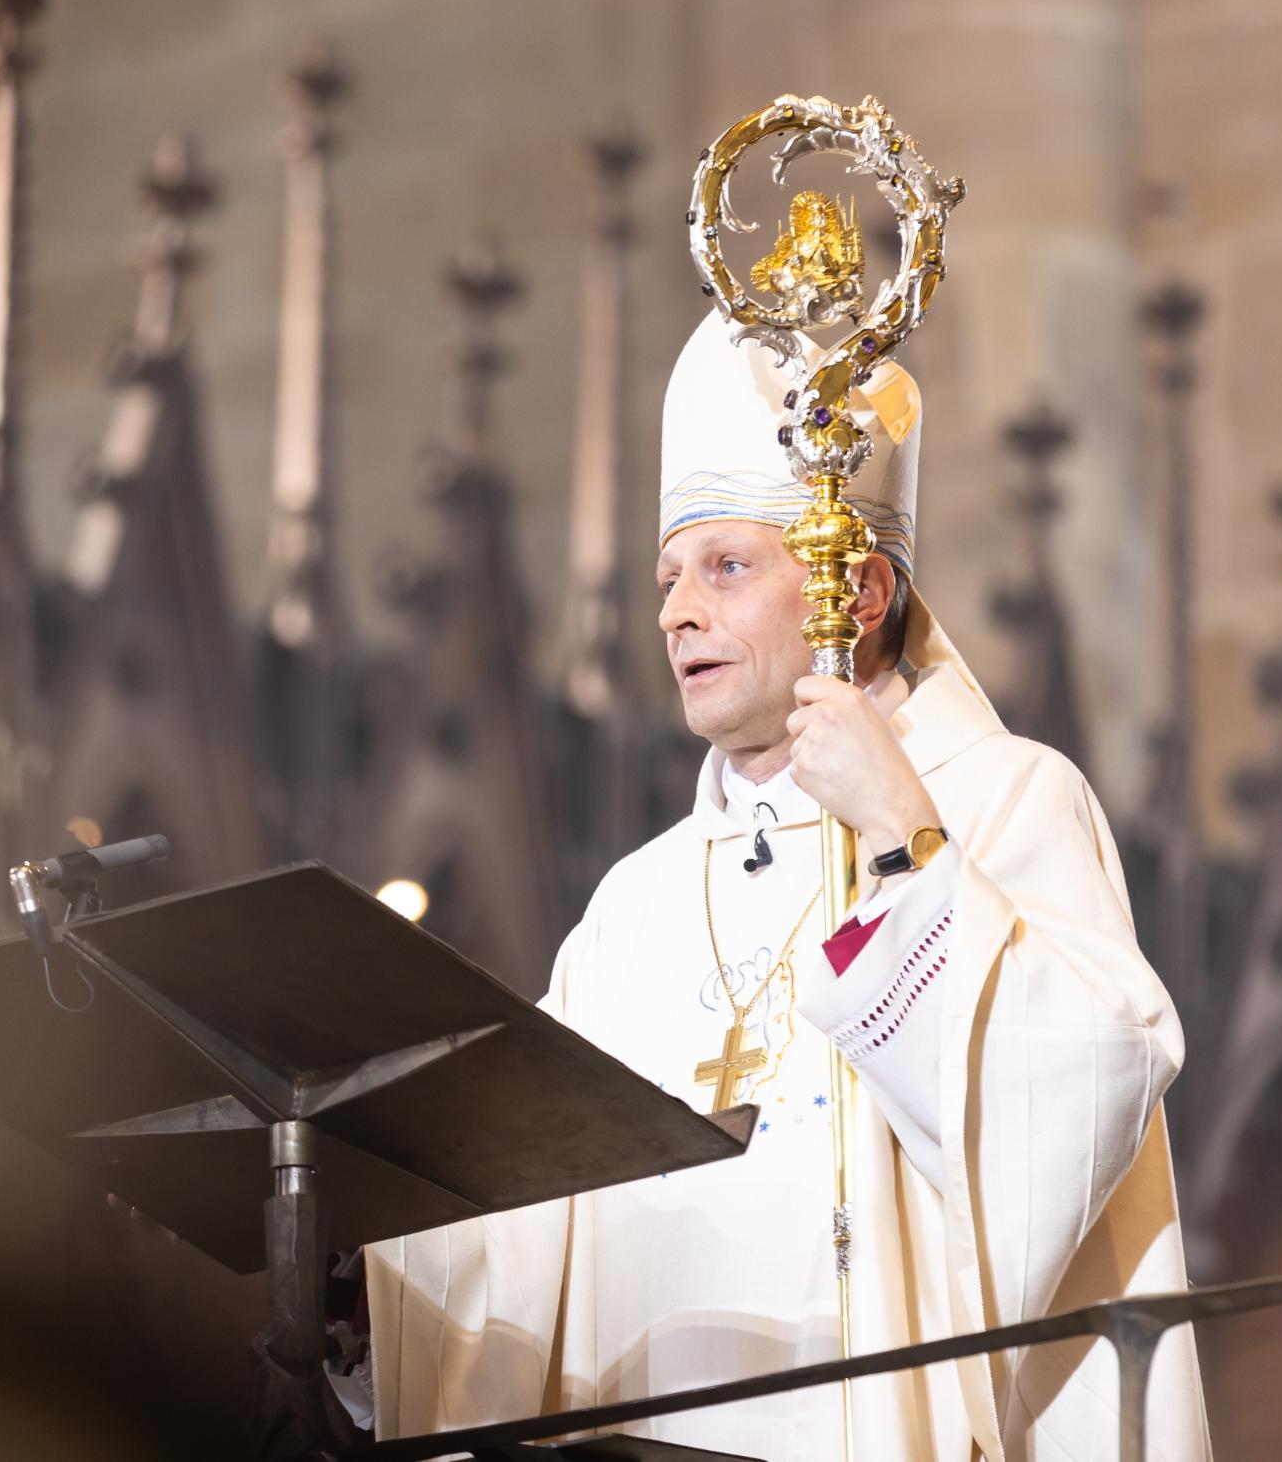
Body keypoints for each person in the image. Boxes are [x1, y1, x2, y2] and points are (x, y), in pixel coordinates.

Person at [364, 313, 1212, 1460]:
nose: (674, 613)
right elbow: (516, 1218)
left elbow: (1083, 1096)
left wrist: (906, 844)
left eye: (724, 568)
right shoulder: (637, 903)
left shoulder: (1001, 799)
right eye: (669, 577)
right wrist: (355, 1265)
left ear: (855, 593)